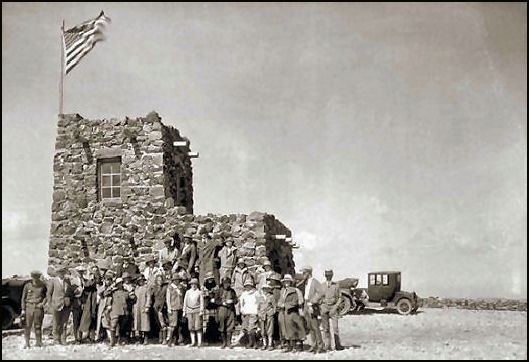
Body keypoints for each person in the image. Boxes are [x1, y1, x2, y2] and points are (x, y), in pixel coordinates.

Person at [277, 274, 306, 353]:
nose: (286, 283)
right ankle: (288, 345)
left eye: (288, 281)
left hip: (292, 312)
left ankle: (296, 346)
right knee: (284, 329)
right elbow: (280, 300)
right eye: (285, 281)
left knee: (293, 328)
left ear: (291, 282)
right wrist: (279, 304)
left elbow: (296, 302)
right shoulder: (282, 290)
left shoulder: (295, 290)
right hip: (283, 312)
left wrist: (286, 305)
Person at [300, 266, 325, 353]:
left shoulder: (315, 282)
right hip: (306, 305)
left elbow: (320, 293)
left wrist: (312, 302)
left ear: (308, 273)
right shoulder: (305, 282)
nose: (303, 275)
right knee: (309, 326)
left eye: (304, 273)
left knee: (315, 326)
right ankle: (314, 345)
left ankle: (320, 346)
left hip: (312, 306)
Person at [318, 269, 344, 351]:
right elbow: (319, 297)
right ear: (325, 276)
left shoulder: (336, 285)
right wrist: (321, 306)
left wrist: (335, 307)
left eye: (330, 275)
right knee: (325, 328)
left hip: (333, 308)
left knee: (335, 327)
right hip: (324, 308)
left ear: (332, 275)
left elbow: (340, 298)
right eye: (327, 275)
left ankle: (338, 345)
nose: (328, 276)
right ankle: (327, 345)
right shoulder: (321, 285)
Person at [47, 266, 73, 345]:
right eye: (60, 272)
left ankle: (63, 339)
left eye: (63, 272)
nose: (62, 274)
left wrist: (69, 301)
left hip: (66, 305)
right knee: (56, 323)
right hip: (56, 304)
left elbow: (70, 292)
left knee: (64, 323)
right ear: (57, 273)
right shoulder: (53, 281)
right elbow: (49, 293)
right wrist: (50, 304)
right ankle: (56, 339)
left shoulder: (67, 281)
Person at [21, 270, 47, 348]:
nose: (35, 279)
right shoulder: (27, 286)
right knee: (27, 326)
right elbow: (23, 298)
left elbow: (46, 296)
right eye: (34, 277)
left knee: (38, 326)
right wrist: (23, 309)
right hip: (29, 307)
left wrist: (42, 304)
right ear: (32, 277)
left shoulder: (43, 285)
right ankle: (27, 343)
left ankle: (39, 342)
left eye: (37, 277)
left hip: (38, 308)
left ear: (39, 277)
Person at [107, 278, 136, 346]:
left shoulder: (126, 292)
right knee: (113, 326)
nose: (120, 284)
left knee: (122, 327)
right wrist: (111, 286)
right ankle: (112, 341)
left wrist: (131, 291)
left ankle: (120, 340)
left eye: (121, 283)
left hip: (124, 311)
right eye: (118, 283)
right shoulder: (113, 292)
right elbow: (105, 293)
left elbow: (133, 298)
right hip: (115, 311)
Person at [79, 264, 100, 343]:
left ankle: (92, 337)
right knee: (85, 317)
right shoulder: (86, 279)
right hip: (87, 300)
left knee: (93, 316)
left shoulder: (96, 278)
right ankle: (81, 337)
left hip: (94, 298)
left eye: (95, 270)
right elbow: (87, 285)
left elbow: (97, 282)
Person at [215, 277, 237, 349]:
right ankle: (224, 342)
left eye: (228, 283)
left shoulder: (232, 291)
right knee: (222, 326)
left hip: (230, 310)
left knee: (230, 326)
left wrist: (232, 301)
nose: (226, 284)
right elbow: (215, 300)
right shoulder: (219, 291)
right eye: (225, 283)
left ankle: (229, 342)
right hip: (222, 309)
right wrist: (222, 303)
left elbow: (236, 300)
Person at [239, 279, 260, 349]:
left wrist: (257, 310)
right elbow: (241, 303)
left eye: (249, 285)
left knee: (252, 329)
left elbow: (259, 302)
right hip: (246, 312)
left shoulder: (256, 293)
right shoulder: (244, 294)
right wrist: (242, 310)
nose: (248, 287)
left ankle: (254, 343)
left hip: (253, 312)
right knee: (246, 329)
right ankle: (250, 342)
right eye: (247, 286)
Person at [183, 278, 204, 347]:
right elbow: (185, 302)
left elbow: (201, 302)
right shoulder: (188, 292)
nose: (193, 285)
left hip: (197, 310)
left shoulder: (199, 292)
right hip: (189, 311)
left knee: (198, 327)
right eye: (192, 284)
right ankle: (193, 342)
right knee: (191, 327)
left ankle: (199, 342)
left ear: (197, 285)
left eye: (195, 284)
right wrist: (184, 311)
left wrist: (201, 310)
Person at [166, 272, 185, 346]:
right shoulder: (170, 288)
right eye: (175, 280)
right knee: (173, 325)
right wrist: (169, 308)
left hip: (180, 307)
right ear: (173, 280)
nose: (177, 281)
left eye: (178, 280)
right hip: (173, 308)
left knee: (180, 325)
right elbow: (168, 299)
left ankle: (177, 340)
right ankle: (170, 340)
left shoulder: (181, 287)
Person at [201, 271, 220, 344]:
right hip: (206, 307)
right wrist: (209, 294)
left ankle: (214, 338)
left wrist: (213, 295)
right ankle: (206, 339)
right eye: (209, 278)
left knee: (214, 322)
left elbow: (217, 295)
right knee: (205, 323)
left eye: (211, 278)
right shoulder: (203, 287)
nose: (210, 280)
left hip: (214, 307)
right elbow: (203, 295)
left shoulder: (216, 286)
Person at [150, 273, 169, 344]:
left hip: (163, 306)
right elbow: (151, 297)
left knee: (163, 323)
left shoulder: (165, 287)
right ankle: (160, 338)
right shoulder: (154, 288)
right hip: (155, 306)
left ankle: (164, 339)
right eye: (158, 280)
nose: (159, 281)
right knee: (158, 323)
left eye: (160, 280)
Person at [132, 274, 151, 345]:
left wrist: (147, 306)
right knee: (138, 323)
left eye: (142, 280)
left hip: (143, 306)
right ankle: (140, 339)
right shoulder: (136, 288)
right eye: (139, 281)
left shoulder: (146, 288)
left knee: (145, 323)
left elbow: (148, 297)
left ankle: (146, 338)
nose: (141, 282)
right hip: (137, 307)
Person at [70, 265, 86, 344]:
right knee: (76, 322)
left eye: (82, 272)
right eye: (79, 272)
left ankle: (80, 337)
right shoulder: (73, 281)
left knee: (81, 321)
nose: (81, 273)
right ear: (77, 272)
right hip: (75, 303)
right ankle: (76, 338)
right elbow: (72, 292)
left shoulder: (84, 281)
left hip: (82, 303)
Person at [258, 282, 277, 350]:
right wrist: (259, 314)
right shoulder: (260, 297)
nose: (265, 290)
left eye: (266, 289)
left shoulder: (271, 297)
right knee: (263, 330)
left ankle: (270, 344)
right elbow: (258, 307)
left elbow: (274, 306)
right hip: (262, 315)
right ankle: (264, 344)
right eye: (264, 289)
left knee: (270, 330)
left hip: (269, 315)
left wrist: (272, 313)